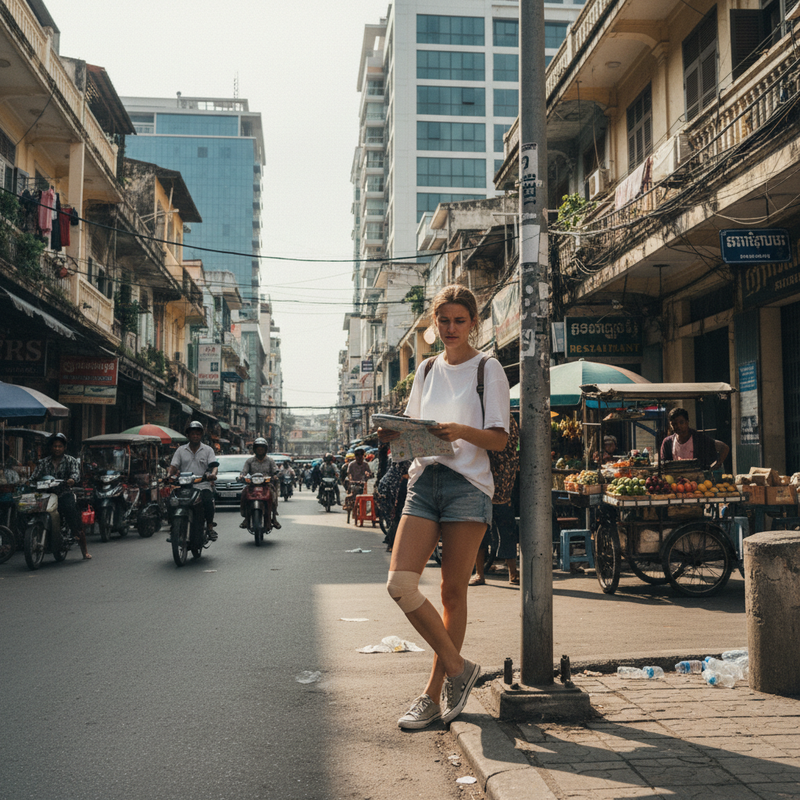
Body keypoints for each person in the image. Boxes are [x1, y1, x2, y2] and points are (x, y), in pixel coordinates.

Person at [377, 284, 510, 730]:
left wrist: (460, 430)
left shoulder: (488, 369)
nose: (451, 328)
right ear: (434, 325)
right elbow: (415, 427)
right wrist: (393, 435)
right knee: (400, 584)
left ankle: (431, 696)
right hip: (424, 480)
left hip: (468, 485)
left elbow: (500, 438)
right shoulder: (427, 369)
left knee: (453, 593)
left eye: (459, 320)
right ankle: (459, 668)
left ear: (473, 323)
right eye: (444, 320)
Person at [30, 433, 91, 560]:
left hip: (63, 494)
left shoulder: (71, 461)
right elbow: (33, 477)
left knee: (72, 516)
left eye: (60, 446)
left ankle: (84, 550)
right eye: (55, 446)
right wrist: (28, 482)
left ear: (64, 448)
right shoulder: (43, 463)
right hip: (46, 494)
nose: (57, 448)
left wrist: (71, 480)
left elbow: (75, 474)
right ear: (51, 447)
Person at [168, 421, 219, 540]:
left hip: (203, 485)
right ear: (188, 435)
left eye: (198, 434)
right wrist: (169, 475)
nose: (195, 436)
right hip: (185, 486)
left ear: (201, 435)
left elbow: (214, 466)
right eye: (193, 433)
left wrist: (212, 474)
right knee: (171, 501)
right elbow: (174, 466)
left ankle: (210, 528)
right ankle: (173, 528)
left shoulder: (208, 450)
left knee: (208, 502)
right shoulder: (180, 450)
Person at [659, 407, 730, 470]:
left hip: (698, 481)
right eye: (674, 424)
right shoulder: (667, 442)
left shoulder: (699, 439)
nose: (678, 426)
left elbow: (724, 447)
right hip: (676, 482)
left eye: (681, 422)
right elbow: (663, 463)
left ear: (687, 422)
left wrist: (717, 465)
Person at [238, 437, 280, 530]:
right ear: (255, 449)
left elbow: (275, 470)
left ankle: (274, 518)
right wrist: (242, 476)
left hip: (266, 485)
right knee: (244, 494)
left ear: (265, 449)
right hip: (252, 485)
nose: (260, 449)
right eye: (258, 447)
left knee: (273, 495)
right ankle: (246, 518)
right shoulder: (249, 461)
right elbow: (244, 471)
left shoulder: (270, 460)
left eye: (262, 447)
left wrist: (276, 475)